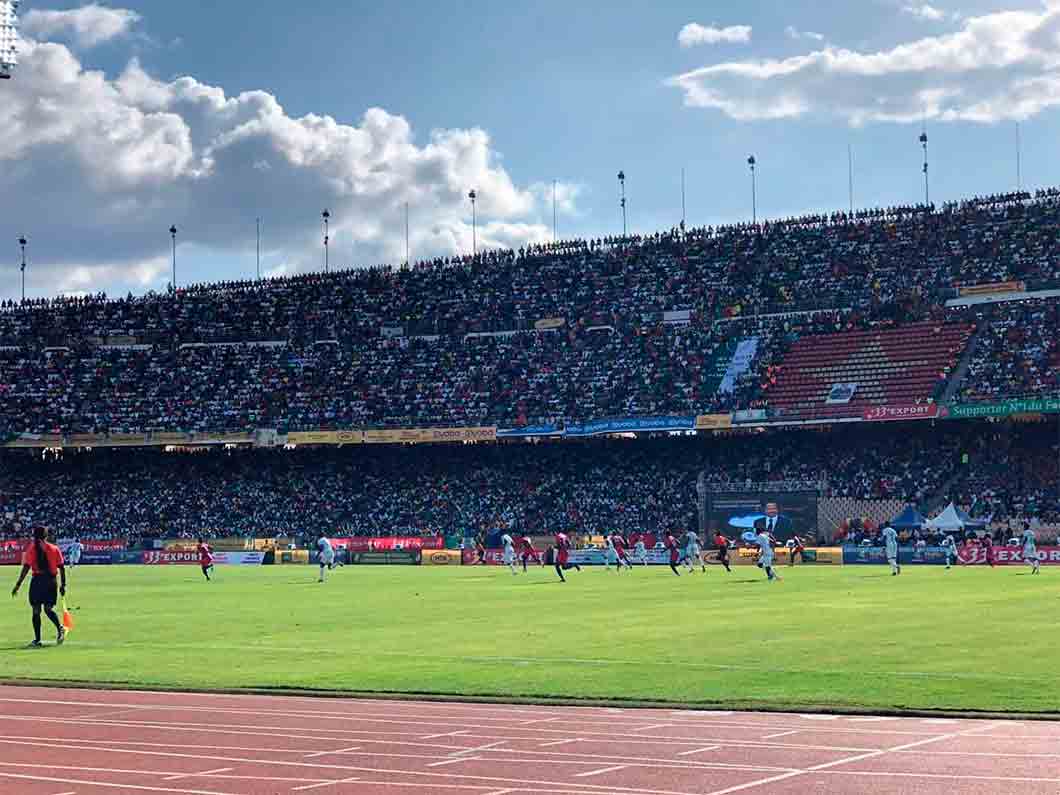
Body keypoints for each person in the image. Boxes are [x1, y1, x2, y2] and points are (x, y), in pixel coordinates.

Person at [10, 526, 67, 648]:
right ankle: (60, 628)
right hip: (51, 581)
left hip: (37, 581)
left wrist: (18, 584)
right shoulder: (54, 548)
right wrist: (63, 585)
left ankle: (37, 639)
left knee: (36, 610)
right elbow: (61, 567)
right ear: (46, 536)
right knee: (48, 609)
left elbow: (26, 567)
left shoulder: (32, 548)